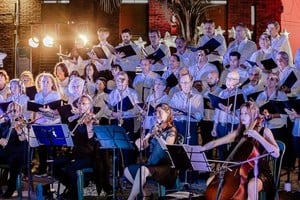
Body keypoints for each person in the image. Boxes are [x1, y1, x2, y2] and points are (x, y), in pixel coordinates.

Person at [200, 101, 279, 200]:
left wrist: (258, 137)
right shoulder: (238, 132)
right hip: (238, 171)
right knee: (210, 181)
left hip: (258, 172)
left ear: (254, 115)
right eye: (241, 113)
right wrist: (201, 148)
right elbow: (216, 143)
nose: (243, 116)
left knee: (251, 186)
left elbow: (276, 153)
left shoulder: (265, 131)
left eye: (246, 113)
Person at [54, 94, 112, 199]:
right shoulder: (75, 120)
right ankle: (75, 187)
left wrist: (89, 126)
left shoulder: (94, 120)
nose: (80, 105)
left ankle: (73, 195)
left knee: (71, 168)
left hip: (90, 155)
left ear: (90, 106)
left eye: (84, 104)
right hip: (76, 153)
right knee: (54, 165)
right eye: (79, 103)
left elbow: (91, 141)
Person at [124, 103, 178, 200]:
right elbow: (144, 146)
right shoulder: (155, 127)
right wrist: (140, 142)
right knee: (127, 171)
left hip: (165, 165)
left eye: (160, 112)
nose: (157, 115)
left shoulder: (172, 130)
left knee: (142, 170)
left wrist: (158, 135)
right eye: (156, 112)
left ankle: (130, 198)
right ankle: (146, 193)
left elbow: (167, 148)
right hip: (153, 162)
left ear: (168, 112)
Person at [212, 71, 246, 160]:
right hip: (221, 125)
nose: (228, 80)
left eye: (232, 79)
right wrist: (214, 127)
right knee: (221, 151)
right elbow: (217, 112)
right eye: (227, 78)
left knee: (231, 152)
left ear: (237, 81)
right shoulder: (222, 93)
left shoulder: (240, 94)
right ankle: (222, 171)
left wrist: (230, 112)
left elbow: (243, 115)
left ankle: (229, 171)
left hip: (233, 126)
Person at [0, 102, 28, 198]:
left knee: (13, 161)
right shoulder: (3, 124)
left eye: (15, 110)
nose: (13, 112)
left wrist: (18, 130)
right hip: (6, 152)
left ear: (19, 112)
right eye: (10, 110)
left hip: (19, 152)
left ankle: (11, 189)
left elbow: (23, 139)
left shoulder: (23, 123)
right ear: (7, 112)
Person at [170, 73, 203, 145]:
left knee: (190, 149)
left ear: (191, 83)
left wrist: (189, 112)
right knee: (177, 148)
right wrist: (174, 113)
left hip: (191, 125)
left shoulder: (198, 97)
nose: (183, 85)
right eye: (181, 83)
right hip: (177, 125)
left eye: (186, 82)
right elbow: (170, 111)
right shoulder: (176, 96)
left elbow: (200, 116)